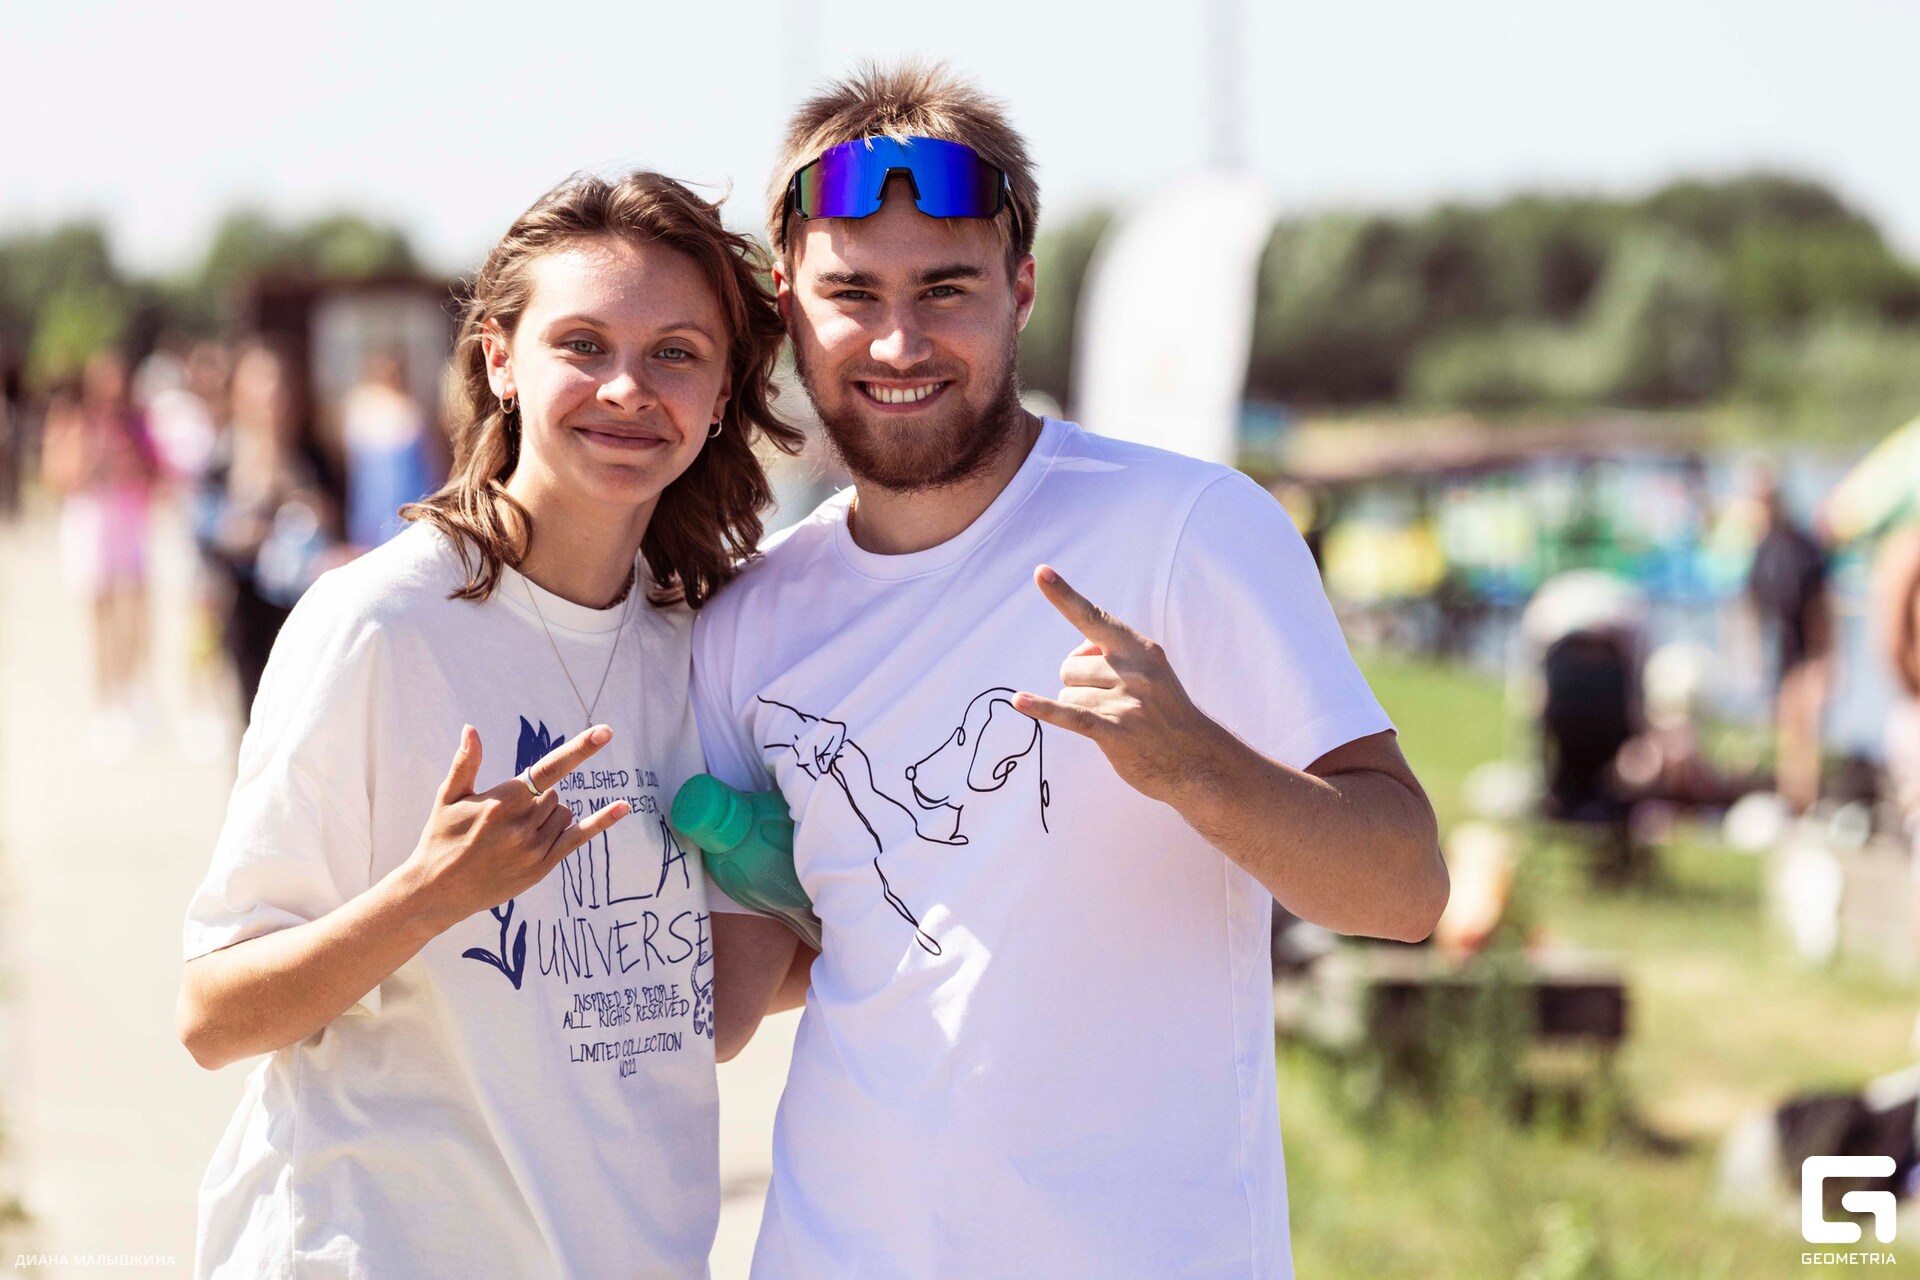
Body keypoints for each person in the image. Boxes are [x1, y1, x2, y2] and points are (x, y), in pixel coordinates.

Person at [690, 63, 1447, 1279]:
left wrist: (1202, 769)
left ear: (1022, 289)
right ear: (789, 306)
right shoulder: (749, 619)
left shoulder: (1186, 529)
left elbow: (1406, 889)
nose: (899, 340)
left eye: (947, 288)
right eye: (853, 293)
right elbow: (742, 995)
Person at [177, 171, 804, 1278]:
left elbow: (676, 1018)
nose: (628, 388)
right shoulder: (382, 625)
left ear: (722, 394)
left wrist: (828, 901)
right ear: (501, 359)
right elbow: (216, 1015)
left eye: (676, 353)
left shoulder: (705, 643)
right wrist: (429, 895)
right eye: (583, 344)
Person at [41, 349, 162, 760]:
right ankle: (107, 704)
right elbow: (56, 476)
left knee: (133, 612)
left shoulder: (136, 422)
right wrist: (92, 460)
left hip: (128, 520)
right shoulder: (71, 420)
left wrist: (131, 462)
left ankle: (129, 688)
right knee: (100, 616)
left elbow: (158, 472)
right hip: (90, 523)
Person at [1744, 466, 1833, 813]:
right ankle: (1791, 804)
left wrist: (1824, 662)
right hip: (1777, 652)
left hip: (1805, 652)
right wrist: (1751, 653)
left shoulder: (1803, 548)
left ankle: (1806, 804)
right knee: (1785, 732)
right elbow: (1752, 604)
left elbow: (1820, 609)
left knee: (1804, 732)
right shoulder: (1762, 548)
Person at [341, 347, 440, 549]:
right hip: (372, 502)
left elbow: (431, 462)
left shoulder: (412, 409)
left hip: (409, 494)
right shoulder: (361, 408)